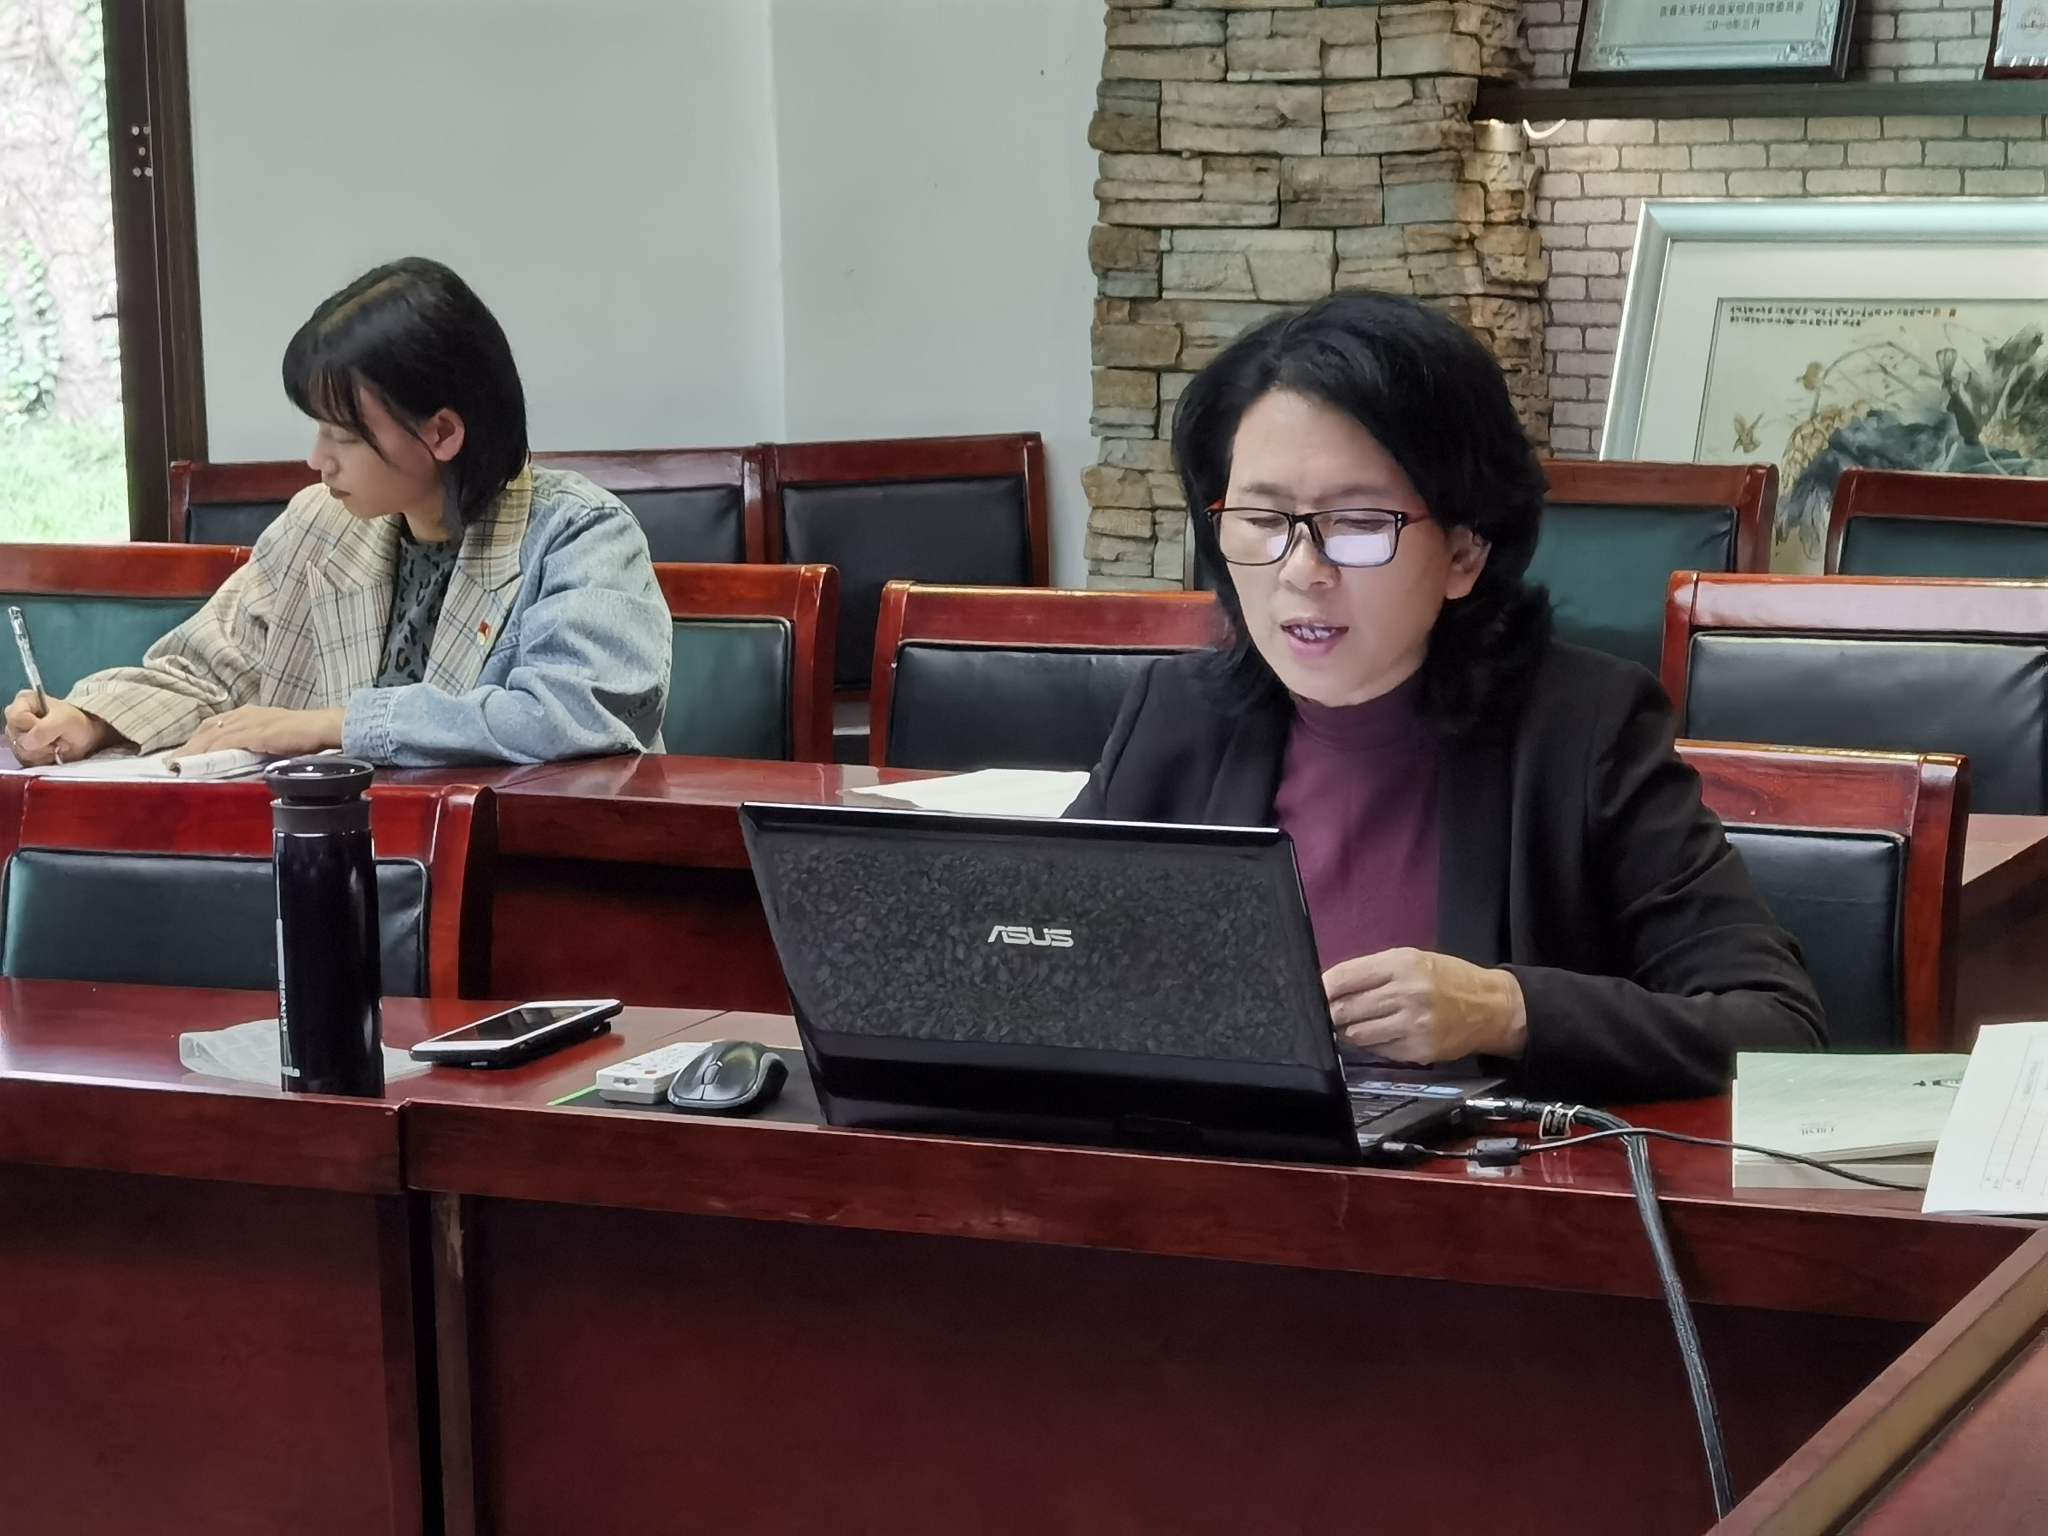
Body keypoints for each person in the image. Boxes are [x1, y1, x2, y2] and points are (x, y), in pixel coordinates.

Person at [1068, 292, 1824, 1102]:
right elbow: (1036, 969)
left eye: (1358, 522)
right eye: (1264, 518)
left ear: (1465, 551)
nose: (1301, 570)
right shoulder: (1176, 717)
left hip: (1477, 1177)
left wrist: (1508, 1011)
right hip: (1211, 1167)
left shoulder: (1586, 731)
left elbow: (1779, 1028)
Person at [5, 257, 671, 768]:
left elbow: (568, 714)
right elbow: (206, 672)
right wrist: (92, 720)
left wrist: (334, 725)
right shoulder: (318, 524)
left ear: (442, 432)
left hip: (521, 877)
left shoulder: (579, 534)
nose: (317, 459)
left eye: (344, 435)